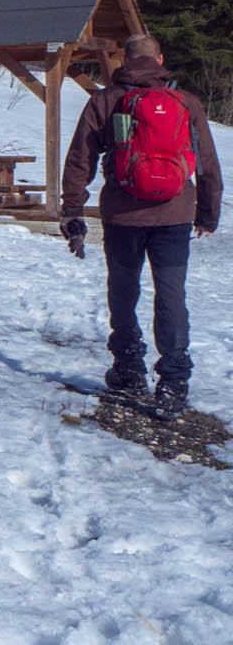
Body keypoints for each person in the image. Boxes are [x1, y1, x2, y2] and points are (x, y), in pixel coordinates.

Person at [59, 33, 220, 418]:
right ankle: (174, 382)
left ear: (123, 62)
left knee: (124, 288)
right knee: (170, 294)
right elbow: (209, 164)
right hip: (175, 214)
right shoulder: (186, 103)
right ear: (160, 59)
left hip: (121, 216)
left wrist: (73, 211)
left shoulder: (104, 101)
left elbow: (80, 158)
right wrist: (207, 214)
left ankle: (129, 368)